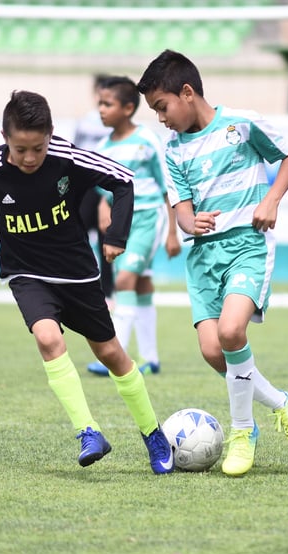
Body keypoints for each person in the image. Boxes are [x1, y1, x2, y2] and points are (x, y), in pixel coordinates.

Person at [0, 90, 174, 475]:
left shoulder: (69, 158)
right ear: (3, 137)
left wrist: (116, 236)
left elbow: (124, 181)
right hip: (26, 272)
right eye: (20, 149)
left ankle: (152, 434)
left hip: (77, 273)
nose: (29, 158)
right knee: (48, 338)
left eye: (38, 149)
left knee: (111, 354)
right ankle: (88, 431)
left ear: (51, 136)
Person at [137, 50, 288, 477]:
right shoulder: (173, 150)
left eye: (162, 107)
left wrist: (271, 200)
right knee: (214, 350)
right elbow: (180, 210)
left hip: (246, 246)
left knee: (232, 332)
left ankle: (242, 431)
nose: (160, 118)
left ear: (186, 92)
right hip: (203, 259)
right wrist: (187, 221)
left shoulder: (242, 124)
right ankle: (280, 402)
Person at [86, 76, 181, 377]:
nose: (101, 109)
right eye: (99, 103)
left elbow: (168, 185)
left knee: (124, 280)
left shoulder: (147, 139)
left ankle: (116, 357)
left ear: (128, 108)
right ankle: (150, 358)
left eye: (107, 104)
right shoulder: (102, 146)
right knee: (140, 285)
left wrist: (172, 231)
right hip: (122, 224)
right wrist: (103, 206)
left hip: (149, 217)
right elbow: (104, 189)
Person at [74, 74, 115, 301]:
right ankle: (79, 284)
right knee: (77, 235)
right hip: (85, 188)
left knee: (105, 240)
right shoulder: (85, 122)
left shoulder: (114, 123)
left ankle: (107, 293)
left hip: (105, 188)